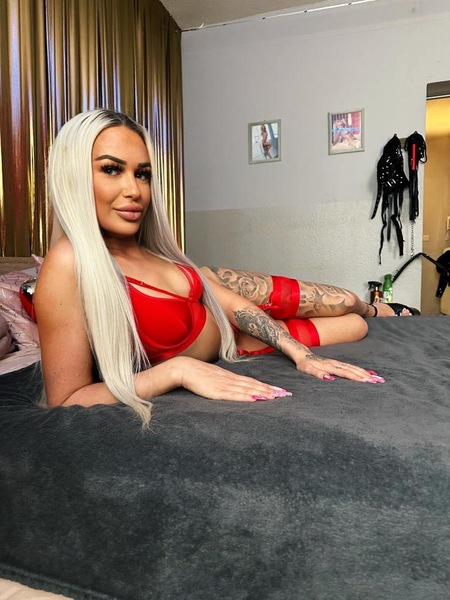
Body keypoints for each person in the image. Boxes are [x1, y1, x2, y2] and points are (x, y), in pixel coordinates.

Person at [34, 109, 384, 428]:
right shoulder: (67, 263)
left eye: (142, 174)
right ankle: (377, 311)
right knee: (354, 327)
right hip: (237, 343)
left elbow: (229, 305)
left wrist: (302, 356)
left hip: (225, 293)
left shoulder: (150, 251)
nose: (134, 190)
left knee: (347, 301)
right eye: (111, 169)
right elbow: (65, 399)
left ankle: (383, 308)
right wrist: (177, 370)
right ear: (73, 176)